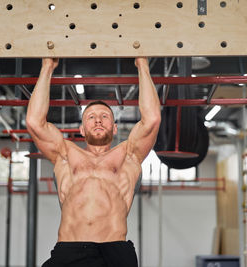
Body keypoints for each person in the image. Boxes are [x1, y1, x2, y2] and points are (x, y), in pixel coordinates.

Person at [26, 58, 161, 267]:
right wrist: (47, 67)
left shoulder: (129, 156)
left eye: (105, 116)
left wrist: (142, 63)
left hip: (114, 251)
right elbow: (35, 122)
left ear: (115, 128)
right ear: (81, 129)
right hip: (70, 250)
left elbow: (151, 119)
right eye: (91, 117)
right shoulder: (65, 154)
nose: (98, 120)